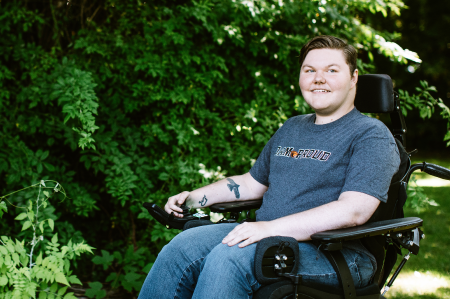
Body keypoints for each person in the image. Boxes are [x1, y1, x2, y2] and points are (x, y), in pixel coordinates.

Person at [138, 35, 400, 299]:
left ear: (354, 78)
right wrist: (194, 199)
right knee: (182, 246)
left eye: (332, 70)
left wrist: (269, 229)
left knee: (231, 257)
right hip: (272, 238)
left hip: (336, 253)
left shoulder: (370, 135)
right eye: (309, 70)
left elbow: (353, 210)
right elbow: (252, 184)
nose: (318, 78)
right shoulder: (292, 127)